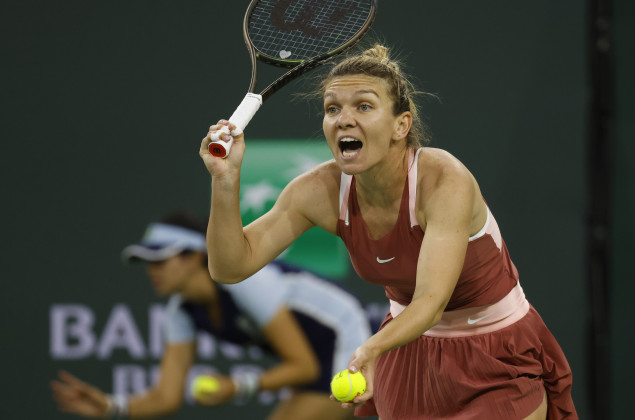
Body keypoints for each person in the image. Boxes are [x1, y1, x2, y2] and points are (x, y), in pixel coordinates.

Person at [199, 44, 578, 420]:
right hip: (408, 354)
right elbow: (230, 267)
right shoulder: (317, 191)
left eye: (363, 106)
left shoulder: (445, 181)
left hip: (496, 351)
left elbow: (430, 302)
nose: (344, 119)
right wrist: (226, 181)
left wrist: (370, 349)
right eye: (333, 109)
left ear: (402, 125)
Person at [51, 210, 371, 420]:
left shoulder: (246, 283)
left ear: (194, 256)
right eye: (147, 262)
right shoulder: (181, 311)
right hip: (320, 357)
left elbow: (302, 366)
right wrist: (110, 407)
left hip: (353, 338)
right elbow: (167, 396)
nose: (152, 271)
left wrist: (237, 387)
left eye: (160, 260)